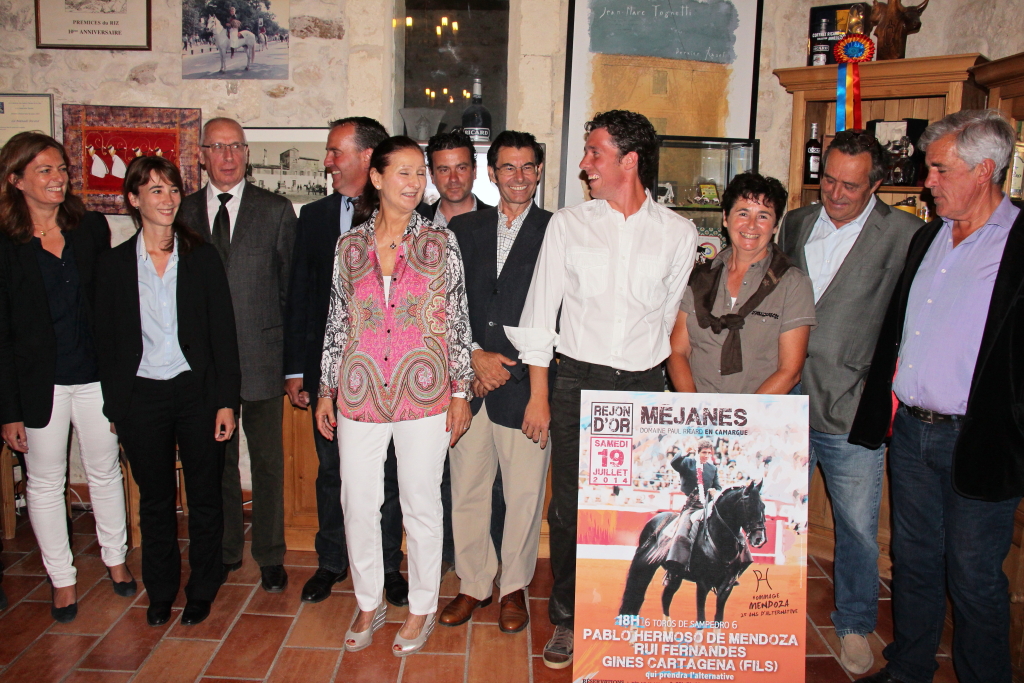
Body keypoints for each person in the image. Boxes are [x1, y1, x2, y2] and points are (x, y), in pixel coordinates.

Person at [506, 110, 698, 669]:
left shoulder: (678, 234)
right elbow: (541, 317)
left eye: (594, 152)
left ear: (629, 160)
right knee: (568, 511)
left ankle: (621, 615)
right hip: (575, 383)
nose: (585, 164)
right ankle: (566, 619)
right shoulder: (568, 225)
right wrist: (540, 395)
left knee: (634, 512)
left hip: (642, 387)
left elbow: (665, 324)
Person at [850, 110, 1024, 683]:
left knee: (974, 576)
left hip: (979, 439)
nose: (928, 180)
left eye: (939, 169)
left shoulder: (1020, 242)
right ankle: (910, 667)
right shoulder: (928, 236)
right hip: (913, 434)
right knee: (914, 563)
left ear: (984, 171)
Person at [314, 136, 474, 657]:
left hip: (425, 390)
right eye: (402, 172)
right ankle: (369, 600)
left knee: (421, 503)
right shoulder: (349, 248)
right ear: (377, 178)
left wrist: (461, 391)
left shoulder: (440, 243)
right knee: (357, 502)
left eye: (418, 173)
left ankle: (422, 605)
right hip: (358, 391)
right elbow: (338, 324)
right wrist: (326, 388)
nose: (414, 183)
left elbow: (457, 320)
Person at [777, 129, 923, 675]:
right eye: (828, 181)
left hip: (852, 407)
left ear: (878, 184)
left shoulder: (908, 235)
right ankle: (764, 613)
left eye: (850, 186)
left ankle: (857, 624)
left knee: (859, 528)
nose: (835, 194)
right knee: (773, 518)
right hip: (785, 400)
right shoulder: (795, 222)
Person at [94, 155, 240, 628]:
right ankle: (160, 591)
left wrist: (225, 401)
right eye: (154, 190)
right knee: (155, 500)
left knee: (204, 496)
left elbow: (223, 337)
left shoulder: (201, 257)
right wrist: (117, 405)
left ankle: (202, 587)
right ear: (134, 201)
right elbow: (107, 343)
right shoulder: (114, 266)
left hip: (195, 393)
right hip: (141, 398)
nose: (167, 198)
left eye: (172, 189)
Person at [0, 132, 134, 624]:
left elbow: (112, 309)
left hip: (95, 377)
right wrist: (9, 409)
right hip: (40, 385)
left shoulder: (90, 228)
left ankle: (116, 561)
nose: (58, 179)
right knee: (44, 482)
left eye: (61, 169)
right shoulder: (7, 244)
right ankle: (62, 579)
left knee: (104, 471)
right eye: (44, 171)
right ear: (16, 180)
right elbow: (4, 334)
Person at [283, 116, 409, 606]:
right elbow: (300, 298)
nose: (329, 162)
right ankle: (332, 562)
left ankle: (388, 569)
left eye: (336, 151)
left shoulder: (405, 216)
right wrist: (299, 371)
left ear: (366, 157)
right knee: (333, 473)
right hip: (332, 379)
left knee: (391, 478)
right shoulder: (314, 218)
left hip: (391, 377)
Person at [440, 130, 552, 634]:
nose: (518, 177)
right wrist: (474, 357)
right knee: (466, 488)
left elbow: (557, 315)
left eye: (528, 167)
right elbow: (447, 306)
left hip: (527, 389)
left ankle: (514, 589)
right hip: (470, 385)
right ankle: (474, 582)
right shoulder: (466, 230)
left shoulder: (558, 231)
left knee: (525, 495)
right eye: (508, 167)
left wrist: (507, 367)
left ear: (540, 171)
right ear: (492, 173)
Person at [179, 117, 296, 594]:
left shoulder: (276, 209)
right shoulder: (182, 212)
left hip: (262, 356)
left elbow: (290, 291)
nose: (228, 156)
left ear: (246, 153)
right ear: (201, 154)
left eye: (236, 147)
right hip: (205, 365)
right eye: (217, 147)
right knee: (217, 461)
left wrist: (293, 365)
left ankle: (269, 554)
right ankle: (228, 549)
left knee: (268, 463)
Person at [416, 128, 497, 575]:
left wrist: (477, 358)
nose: (452, 178)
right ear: (431, 173)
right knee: (428, 475)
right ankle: (443, 556)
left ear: (476, 169)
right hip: (424, 375)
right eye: (442, 169)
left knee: (484, 480)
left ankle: (487, 561)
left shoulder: (498, 222)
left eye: (461, 166)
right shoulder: (415, 226)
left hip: (484, 375)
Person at [667, 172, 816, 396]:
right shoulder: (699, 277)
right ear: (726, 217)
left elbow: (790, 371)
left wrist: (740, 419)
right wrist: (695, 410)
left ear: (775, 226)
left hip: (759, 421)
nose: (752, 225)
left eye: (763, 216)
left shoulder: (794, 284)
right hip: (698, 418)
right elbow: (678, 351)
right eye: (743, 213)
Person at [663, 441, 721, 571]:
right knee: (681, 534)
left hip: (707, 506)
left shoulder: (713, 468)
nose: (707, 455)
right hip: (690, 506)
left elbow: (717, 487)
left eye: (709, 453)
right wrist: (684, 451)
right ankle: (672, 569)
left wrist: (715, 491)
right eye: (704, 452)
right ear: (698, 452)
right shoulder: (688, 462)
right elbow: (674, 463)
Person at [417, 128, 493, 227]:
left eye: (461, 168)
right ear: (432, 175)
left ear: (474, 170)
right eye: (444, 170)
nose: (453, 178)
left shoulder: (497, 223)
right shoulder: (416, 224)